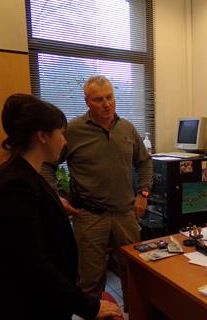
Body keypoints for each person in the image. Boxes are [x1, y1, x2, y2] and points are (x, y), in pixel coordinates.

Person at [0, 94, 120, 319]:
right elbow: (32, 264)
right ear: (42, 136)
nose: (65, 141)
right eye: (61, 133)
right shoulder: (14, 185)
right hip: (26, 308)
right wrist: (90, 306)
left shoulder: (27, 175)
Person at [42, 75, 153, 310]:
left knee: (133, 273)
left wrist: (143, 194)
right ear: (87, 102)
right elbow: (46, 165)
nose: (107, 104)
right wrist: (57, 197)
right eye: (99, 99)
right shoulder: (72, 130)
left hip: (125, 214)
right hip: (90, 217)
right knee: (91, 280)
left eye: (110, 97)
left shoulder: (127, 128)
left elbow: (144, 162)